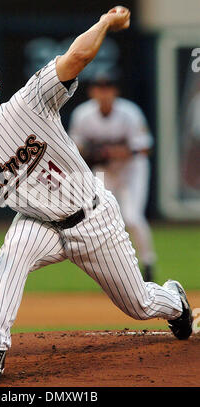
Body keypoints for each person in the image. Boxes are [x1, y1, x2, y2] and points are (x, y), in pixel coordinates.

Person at [0, 6, 193, 380]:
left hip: (92, 216)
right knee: (11, 257)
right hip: (39, 224)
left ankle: (174, 300)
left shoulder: (28, 104)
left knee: (138, 304)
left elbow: (77, 56)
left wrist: (105, 22)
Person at [68, 72, 156, 282]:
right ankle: (113, 270)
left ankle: (148, 263)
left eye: (108, 88)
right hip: (104, 171)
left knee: (132, 217)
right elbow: (74, 147)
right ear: (93, 92)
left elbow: (144, 148)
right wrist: (95, 153)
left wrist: (109, 151)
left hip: (132, 170)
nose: (104, 93)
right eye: (99, 88)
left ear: (115, 91)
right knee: (99, 219)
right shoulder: (83, 114)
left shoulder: (129, 112)